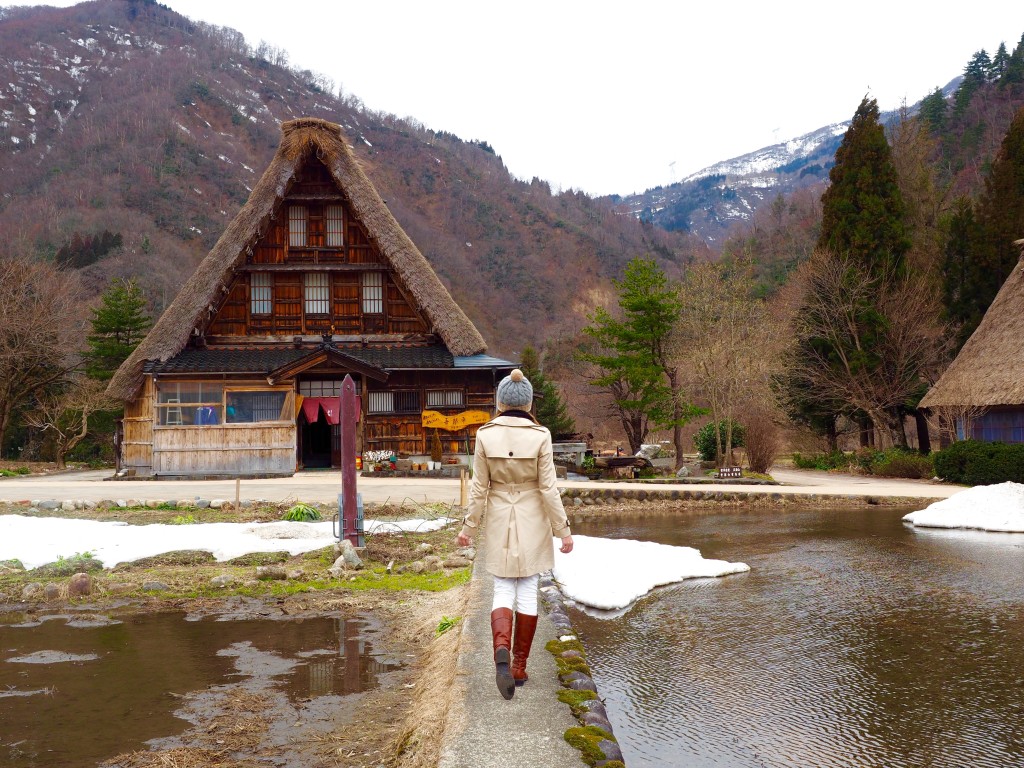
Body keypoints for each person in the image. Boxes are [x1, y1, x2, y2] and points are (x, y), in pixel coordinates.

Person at [457, 368, 573, 700]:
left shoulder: (484, 435)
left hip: (497, 517)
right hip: (533, 518)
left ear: (500, 402)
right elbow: (549, 489)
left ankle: (501, 649)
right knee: (529, 588)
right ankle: (519, 666)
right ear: (528, 404)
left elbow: (479, 489)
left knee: (503, 586)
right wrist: (563, 531)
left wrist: (468, 528)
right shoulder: (541, 435)